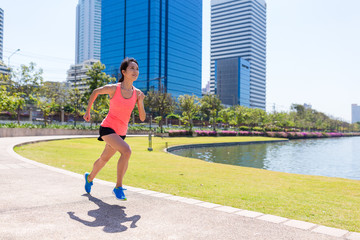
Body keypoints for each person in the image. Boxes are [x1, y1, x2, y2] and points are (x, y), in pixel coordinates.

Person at [83, 57, 146, 200]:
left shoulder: (137, 93)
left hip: (121, 132)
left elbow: (142, 118)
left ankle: (89, 178)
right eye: (131, 68)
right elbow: (95, 92)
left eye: (137, 69)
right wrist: (88, 111)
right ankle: (118, 187)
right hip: (107, 128)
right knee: (126, 151)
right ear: (123, 72)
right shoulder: (114, 88)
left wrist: (141, 102)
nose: (135, 71)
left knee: (104, 159)